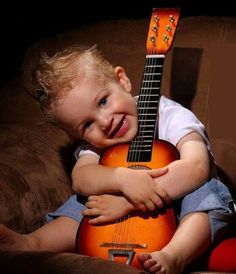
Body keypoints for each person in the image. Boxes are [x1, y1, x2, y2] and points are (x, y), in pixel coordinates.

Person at [0, 44, 235, 274]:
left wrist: (129, 203)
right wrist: (122, 180)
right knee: (85, 202)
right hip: (119, 212)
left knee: (206, 194)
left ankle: (175, 256)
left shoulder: (171, 116)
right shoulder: (100, 144)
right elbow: (81, 178)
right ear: (75, 135)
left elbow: (196, 167)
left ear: (122, 81)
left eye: (103, 101)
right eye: (87, 124)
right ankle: (33, 243)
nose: (104, 122)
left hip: (177, 208)